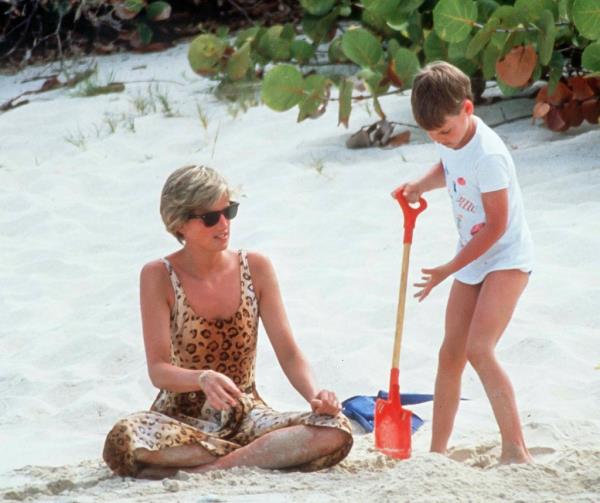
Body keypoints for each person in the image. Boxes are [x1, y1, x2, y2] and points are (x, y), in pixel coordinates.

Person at [103, 165, 352, 478]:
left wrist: (316, 397)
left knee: (336, 428)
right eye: (210, 217)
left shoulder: (256, 267)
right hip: (182, 418)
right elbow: (159, 369)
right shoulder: (158, 275)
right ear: (179, 223)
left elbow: (288, 351)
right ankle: (256, 455)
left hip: (246, 413)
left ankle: (211, 467)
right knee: (123, 439)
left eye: (228, 211)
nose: (224, 224)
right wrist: (202, 378)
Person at [393, 61, 534, 464]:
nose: (443, 140)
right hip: (472, 257)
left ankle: (516, 450)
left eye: (446, 132)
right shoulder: (449, 138)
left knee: (479, 349)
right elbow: (449, 166)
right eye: (433, 135)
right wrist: (420, 184)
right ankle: (437, 452)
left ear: (468, 109)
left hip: (506, 256)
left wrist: (447, 269)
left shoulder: (489, 156)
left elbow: (495, 227)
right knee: (450, 352)